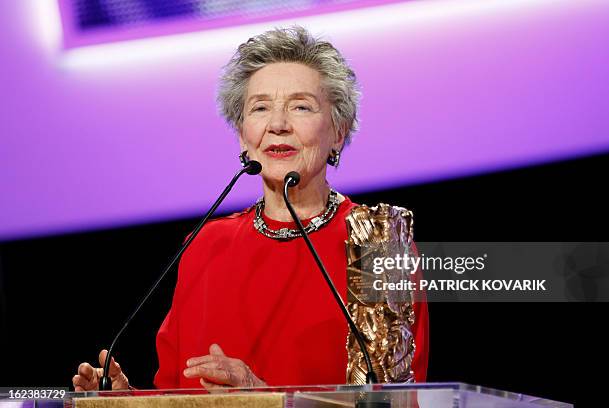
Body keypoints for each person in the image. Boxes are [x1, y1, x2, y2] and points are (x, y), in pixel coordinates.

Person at [73, 26, 428, 391]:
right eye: (260, 108)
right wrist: (124, 400)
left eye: (301, 106)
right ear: (243, 135)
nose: (277, 125)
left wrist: (265, 398)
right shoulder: (204, 245)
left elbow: (392, 400)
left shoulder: (377, 243)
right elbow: (174, 393)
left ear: (338, 131)